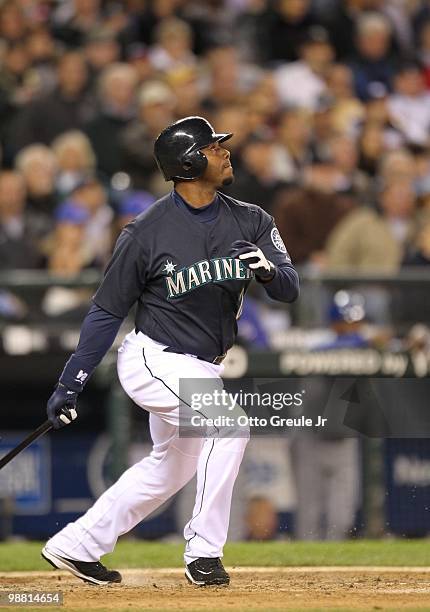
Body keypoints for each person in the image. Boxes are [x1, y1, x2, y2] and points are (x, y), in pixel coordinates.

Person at [41, 116, 299, 586]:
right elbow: (105, 312)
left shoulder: (252, 218)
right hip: (154, 357)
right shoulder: (145, 231)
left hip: (202, 366)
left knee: (171, 467)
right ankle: (204, 553)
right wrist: (70, 381)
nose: (224, 152)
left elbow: (289, 289)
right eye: (214, 147)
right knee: (229, 426)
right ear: (188, 161)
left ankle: (76, 545)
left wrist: (267, 271)